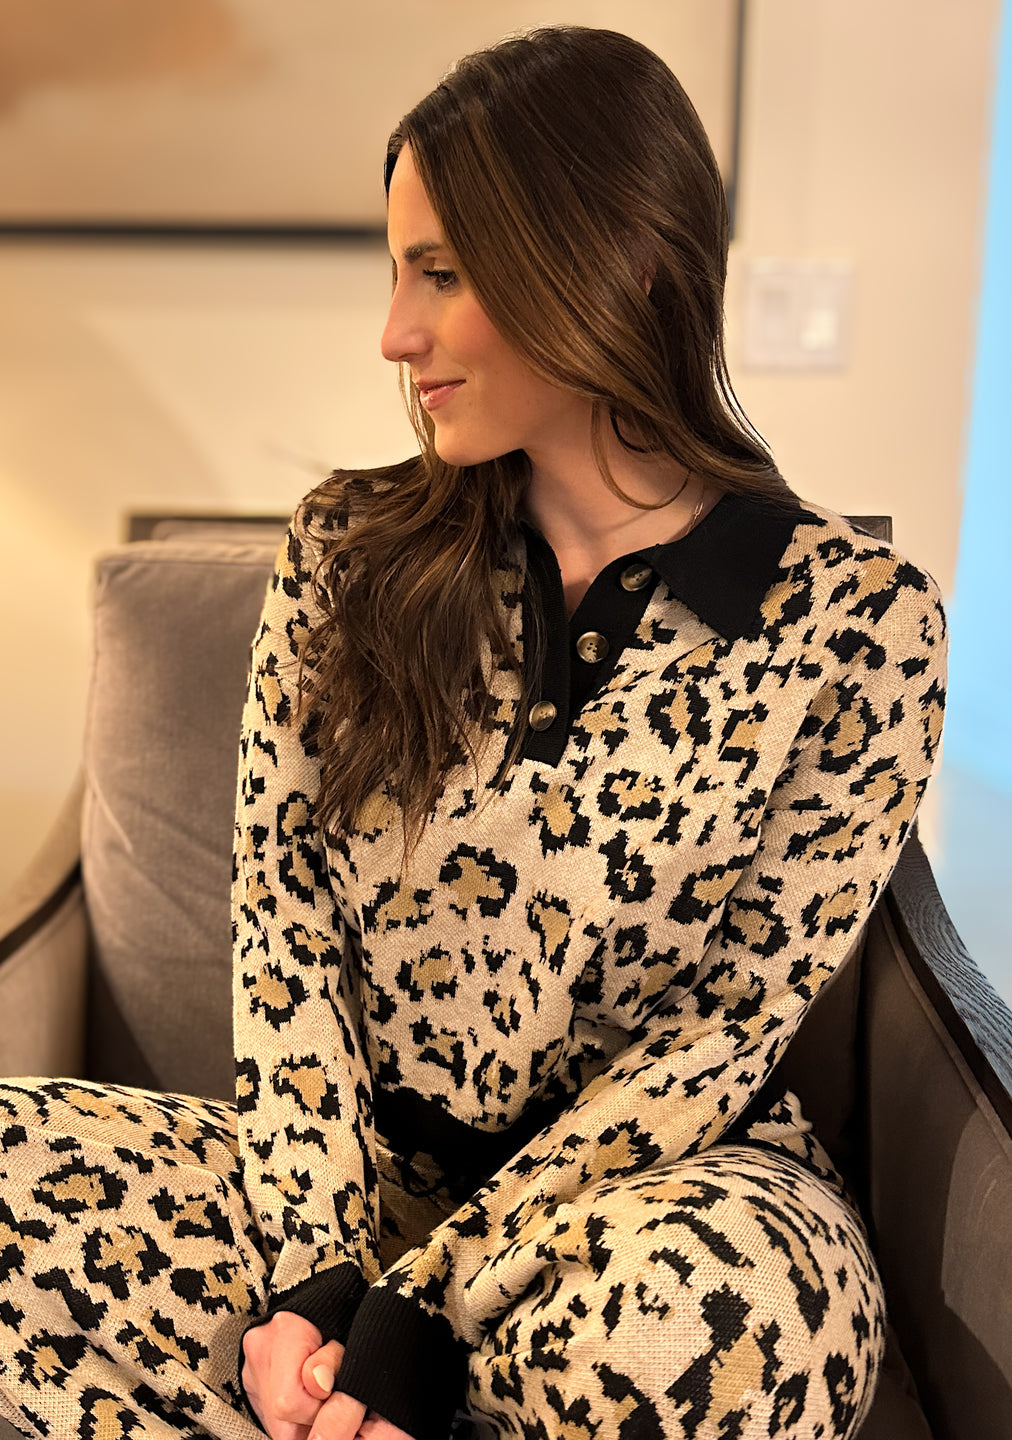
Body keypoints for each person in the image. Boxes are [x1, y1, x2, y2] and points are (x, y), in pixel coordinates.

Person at [0, 25, 946, 1440]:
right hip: (334, 1193)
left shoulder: (856, 625)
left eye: (440, 274)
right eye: (397, 273)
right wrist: (317, 1285)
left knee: (733, 1329)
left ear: (618, 262)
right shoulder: (344, 554)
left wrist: (425, 1317)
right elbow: (285, 936)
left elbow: (720, 1037)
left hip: (642, 1215)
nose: (395, 334)